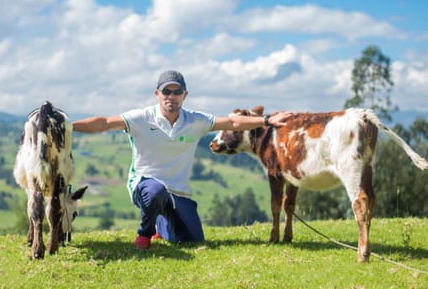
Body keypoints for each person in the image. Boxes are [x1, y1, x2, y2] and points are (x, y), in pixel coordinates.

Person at [72, 70, 291, 249]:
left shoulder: (196, 120)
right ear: (157, 93)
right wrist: (67, 127)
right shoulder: (141, 117)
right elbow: (104, 123)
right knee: (156, 191)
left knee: (192, 240)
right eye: (166, 90)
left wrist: (267, 120)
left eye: (177, 91)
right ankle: (144, 235)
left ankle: (161, 225)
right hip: (145, 186)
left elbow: (232, 123)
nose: (171, 96)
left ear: (184, 95)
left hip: (179, 192)